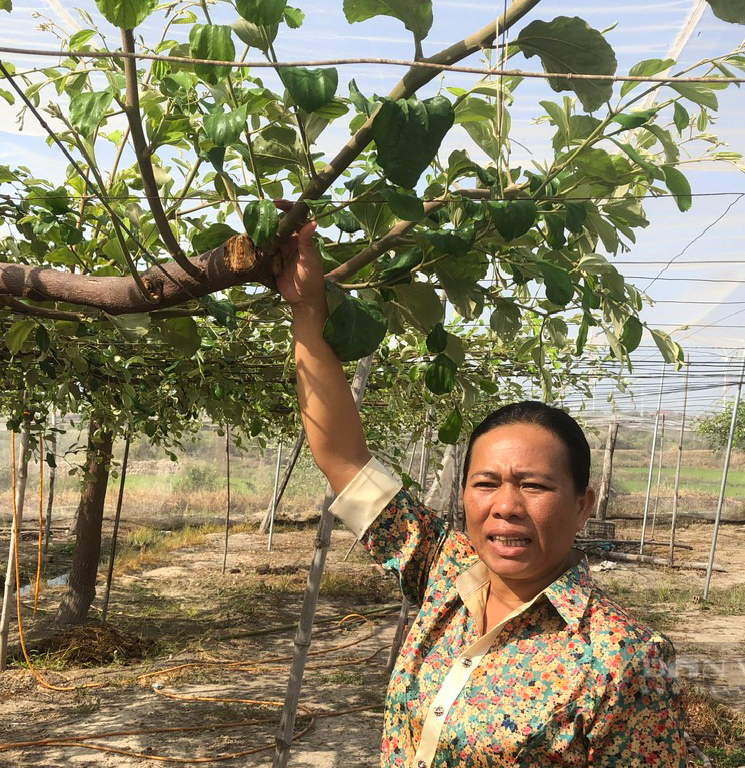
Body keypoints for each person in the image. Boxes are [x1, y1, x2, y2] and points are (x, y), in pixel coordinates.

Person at [276, 214, 686, 767]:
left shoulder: (620, 659)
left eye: (535, 485)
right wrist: (306, 308)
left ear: (584, 503)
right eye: (486, 483)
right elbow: (344, 457)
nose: (505, 507)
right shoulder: (448, 571)